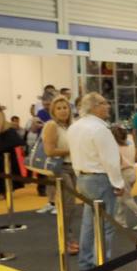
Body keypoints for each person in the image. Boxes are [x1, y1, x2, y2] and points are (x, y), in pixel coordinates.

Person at [67, 93, 125, 271]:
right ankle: (101, 265)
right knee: (106, 225)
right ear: (94, 107)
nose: (107, 106)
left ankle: (86, 264)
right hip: (100, 178)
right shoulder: (100, 129)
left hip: (83, 177)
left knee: (88, 223)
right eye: (103, 103)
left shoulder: (75, 126)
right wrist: (118, 183)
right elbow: (110, 160)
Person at [41, 95, 80, 254]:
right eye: (59, 108)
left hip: (73, 167)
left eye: (65, 107)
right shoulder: (51, 126)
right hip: (59, 168)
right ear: (53, 111)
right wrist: (71, 150)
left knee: (70, 206)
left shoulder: (72, 125)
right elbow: (49, 151)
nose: (63, 111)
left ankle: (68, 237)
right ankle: (66, 240)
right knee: (67, 205)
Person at [111, 125, 137, 230]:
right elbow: (136, 157)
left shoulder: (115, 146)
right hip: (132, 172)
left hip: (123, 173)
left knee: (127, 198)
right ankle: (120, 221)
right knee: (121, 199)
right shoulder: (130, 142)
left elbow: (117, 161)